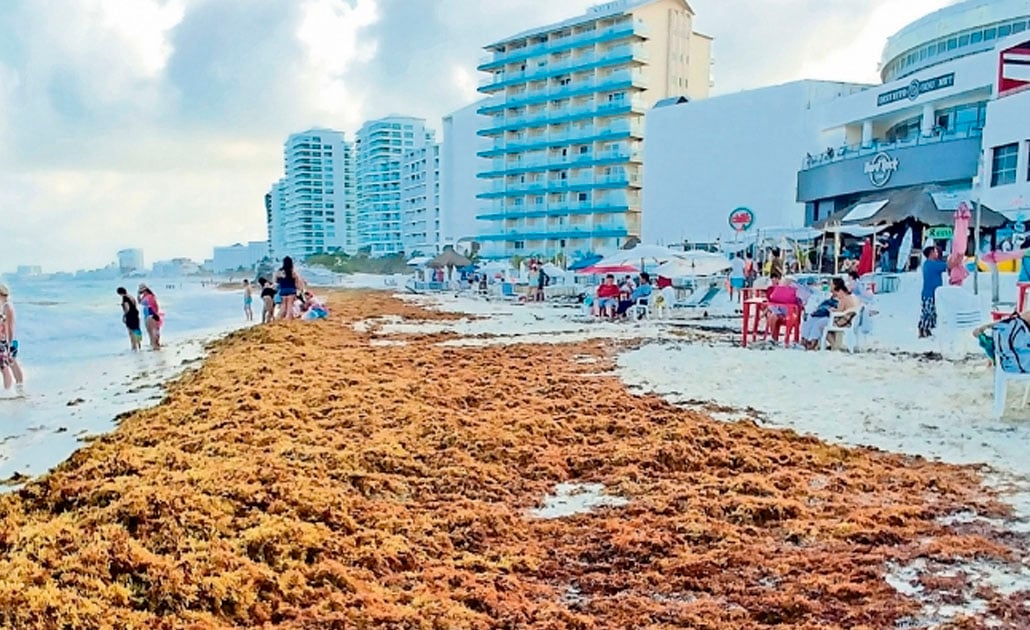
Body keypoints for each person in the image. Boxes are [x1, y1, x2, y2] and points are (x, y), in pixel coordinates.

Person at [800, 277, 861, 350]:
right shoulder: (852, 297)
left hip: (843, 321)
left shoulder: (843, 298)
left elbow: (839, 312)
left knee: (820, 324)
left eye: (831, 284)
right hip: (848, 320)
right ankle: (828, 344)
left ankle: (816, 343)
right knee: (820, 323)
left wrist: (831, 310)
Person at [918, 245, 956, 338]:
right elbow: (948, 265)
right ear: (931, 253)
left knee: (927, 313)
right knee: (929, 313)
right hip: (930, 293)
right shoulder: (932, 264)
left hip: (928, 293)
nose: (937, 253)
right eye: (935, 252)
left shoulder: (928, 263)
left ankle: (924, 329)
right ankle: (924, 330)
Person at [0, 283, 24, 395]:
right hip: (6, 340)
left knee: (6, 365)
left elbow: (10, 327)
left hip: (8, 340)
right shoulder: (5, 306)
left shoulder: (7, 307)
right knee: (11, 363)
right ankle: (17, 388)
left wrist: (9, 344)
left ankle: (11, 389)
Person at [275, 256, 305, 320]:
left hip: (282, 290)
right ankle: (287, 319)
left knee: (283, 306)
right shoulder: (292, 271)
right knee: (289, 305)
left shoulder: (279, 271)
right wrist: (299, 289)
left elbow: (275, 280)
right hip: (291, 290)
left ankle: (278, 318)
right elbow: (297, 281)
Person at [116, 287, 142, 351]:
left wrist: (124, 316)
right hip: (135, 314)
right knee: (137, 330)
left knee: (131, 331)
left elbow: (127, 308)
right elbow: (135, 305)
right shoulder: (131, 296)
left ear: (120, 293)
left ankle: (134, 347)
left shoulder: (125, 298)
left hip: (130, 316)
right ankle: (139, 344)